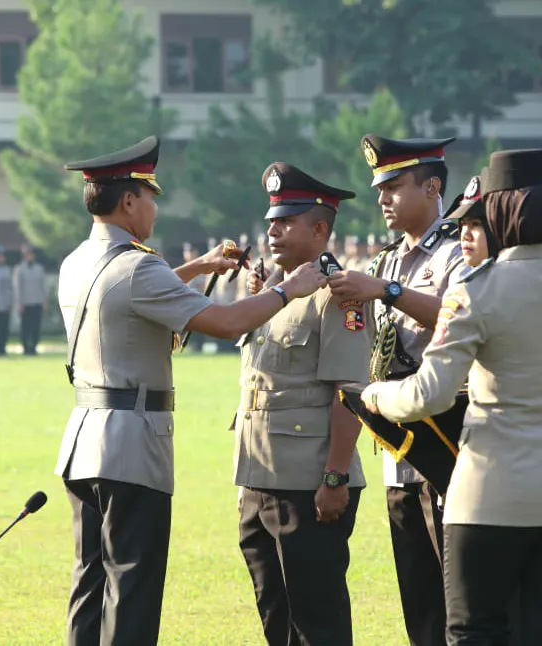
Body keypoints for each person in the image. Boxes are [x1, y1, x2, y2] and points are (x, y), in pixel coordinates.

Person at [361, 149, 542, 645]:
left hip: (493, 494)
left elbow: (429, 396)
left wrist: (375, 395)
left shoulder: (475, 290)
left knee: (476, 632)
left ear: (499, 212)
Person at [54, 136, 329, 646]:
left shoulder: (77, 262)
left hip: (84, 440)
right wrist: (288, 289)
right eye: (151, 196)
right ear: (130, 200)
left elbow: (122, 298)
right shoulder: (139, 266)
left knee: (89, 583)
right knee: (132, 586)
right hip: (131, 444)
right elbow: (224, 322)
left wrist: (199, 268)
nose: (155, 208)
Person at [326, 134, 463, 646]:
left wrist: (386, 292)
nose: (383, 197)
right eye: (379, 187)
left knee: (460, 603)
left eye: (394, 185)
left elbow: (458, 314)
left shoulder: (457, 251)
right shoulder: (385, 261)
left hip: (448, 444)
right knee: (420, 603)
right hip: (399, 451)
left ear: (432, 187)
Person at [233, 162, 372, 646]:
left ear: (319, 229)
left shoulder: (338, 294)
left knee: (317, 622)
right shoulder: (275, 291)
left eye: (286, 220)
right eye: (271, 220)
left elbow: (347, 392)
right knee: (275, 615)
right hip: (259, 477)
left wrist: (335, 476)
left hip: (310, 482)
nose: (273, 229)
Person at [13, 244, 46, 355]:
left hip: (37, 302)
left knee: (36, 326)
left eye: (31, 254)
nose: (29, 256)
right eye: (27, 255)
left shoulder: (39, 268)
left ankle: (34, 346)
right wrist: (19, 303)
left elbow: (42, 286)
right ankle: (26, 347)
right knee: (25, 327)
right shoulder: (19, 269)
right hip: (25, 303)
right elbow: (18, 287)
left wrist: (44, 301)